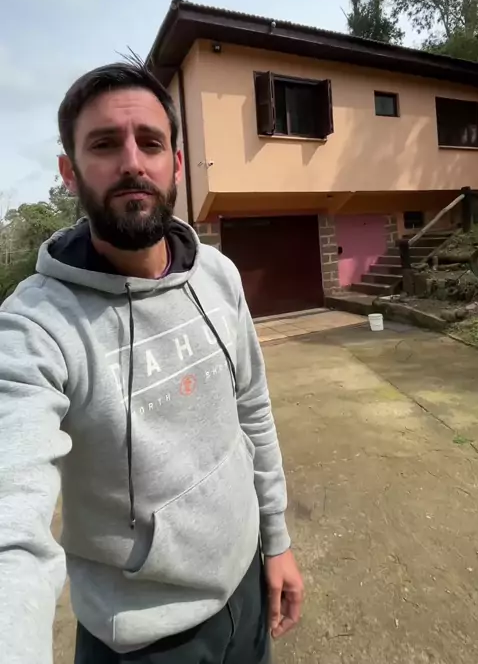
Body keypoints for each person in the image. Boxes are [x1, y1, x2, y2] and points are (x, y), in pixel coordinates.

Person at [0, 59, 304, 664]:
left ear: (176, 165)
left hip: (248, 589)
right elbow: (11, 527)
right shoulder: (36, 326)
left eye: (151, 142)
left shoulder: (219, 275)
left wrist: (277, 539)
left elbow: (253, 409)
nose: (132, 162)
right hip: (142, 641)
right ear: (69, 172)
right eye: (104, 144)